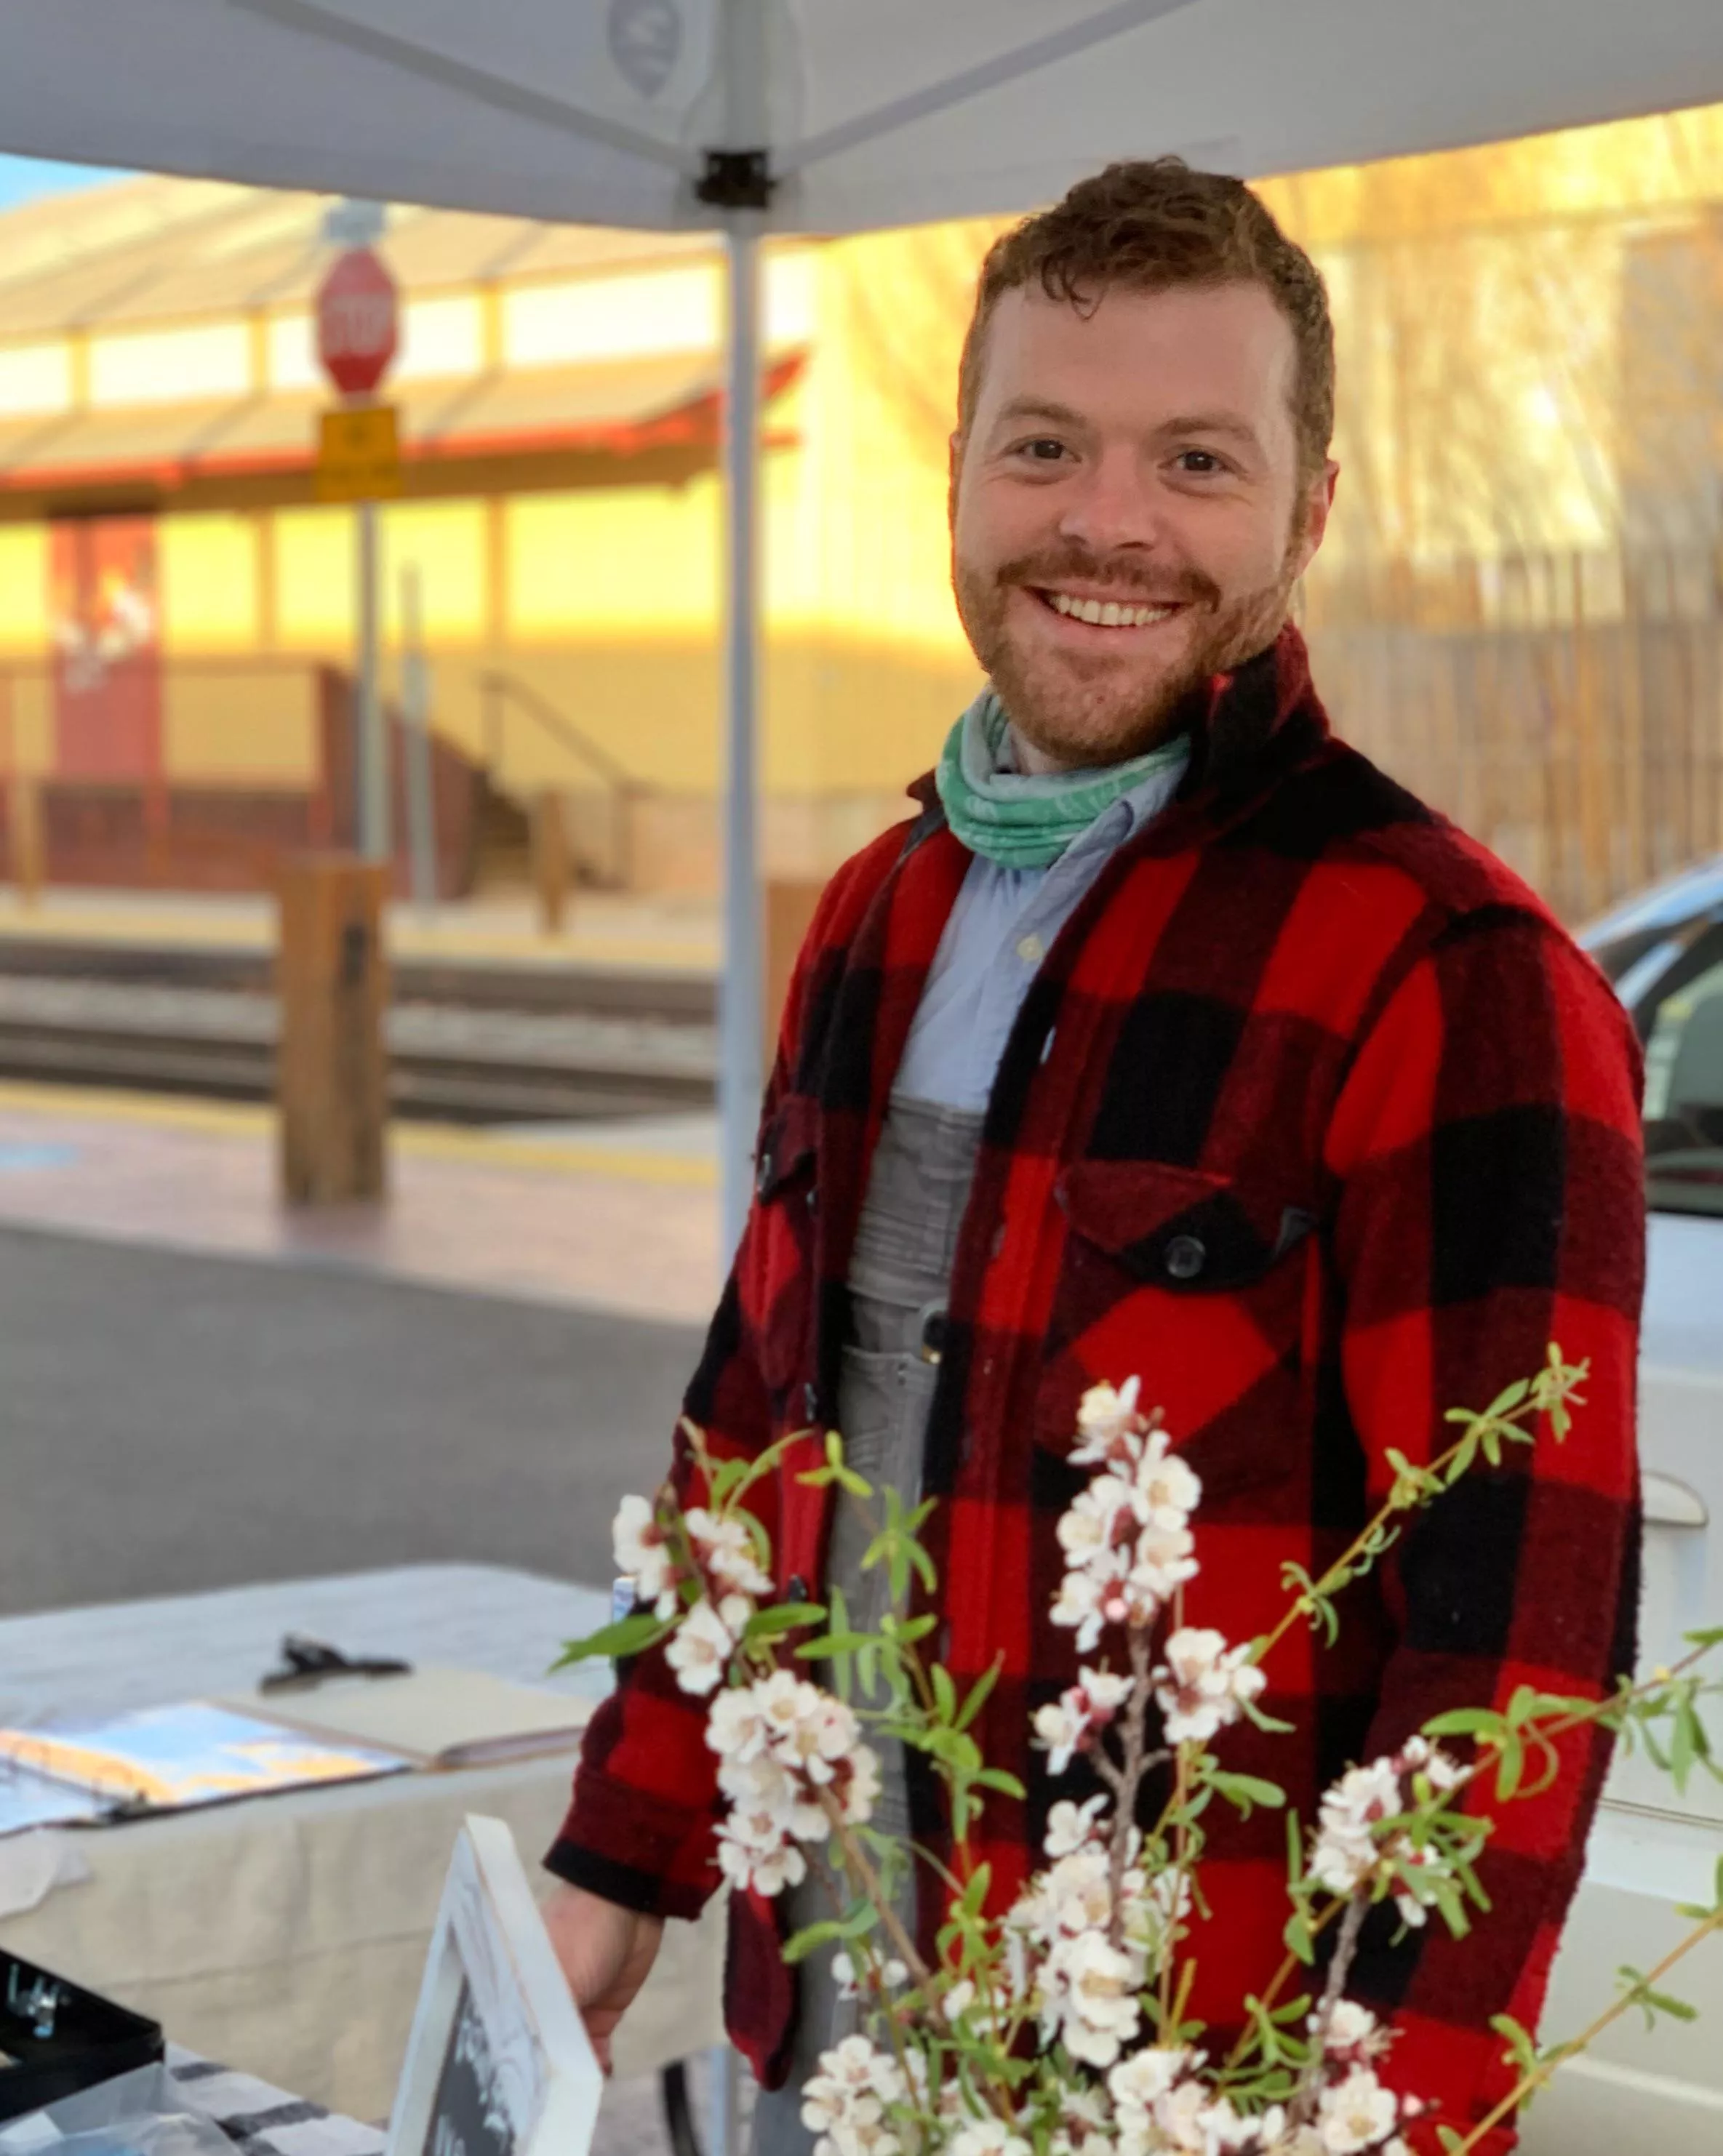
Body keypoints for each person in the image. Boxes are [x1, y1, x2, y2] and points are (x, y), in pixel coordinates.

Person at [539, 159, 1644, 2154]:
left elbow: (1518, 1642)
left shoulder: (1449, 974)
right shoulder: (876, 914)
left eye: (1196, 461)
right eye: (1046, 444)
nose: (1109, 521)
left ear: (1311, 510)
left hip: (1180, 2091)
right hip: (837, 2032)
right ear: (958, 472)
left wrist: (1379, 2111)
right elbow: (758, 1422)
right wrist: (622, 1857)